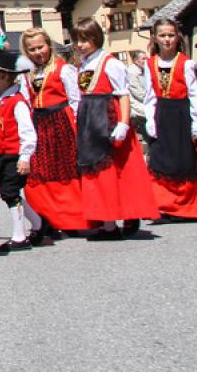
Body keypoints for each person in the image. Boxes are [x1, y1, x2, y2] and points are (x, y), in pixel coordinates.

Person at [70, 16, 154, 239]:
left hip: (107, 117)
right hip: (90, 119)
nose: (80, 45)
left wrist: (124, 124)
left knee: (117, 171)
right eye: (77, 40)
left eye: (85, 39)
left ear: (96, 38)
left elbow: (123, 94)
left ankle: (127, 215)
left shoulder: (111, 64)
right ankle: (107, 222)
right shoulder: (84, 64)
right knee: (97, 173)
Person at [139, 17, 197, 221]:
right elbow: (149, 94)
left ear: (177, 37)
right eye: (163, 35)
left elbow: (194, 95)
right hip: (162, 112)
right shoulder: (150, 64)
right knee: (162, 160)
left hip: (182, 113)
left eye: (171, 35)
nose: (167, 40)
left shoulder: (186, 63)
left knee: (185, 159)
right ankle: (165, 205)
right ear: (155, 38)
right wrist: (150, 119)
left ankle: (190, 206)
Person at [20, 28, 84, 239]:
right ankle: (47, 217)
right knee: (40, 173)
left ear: (49, 45)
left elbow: (75, 100)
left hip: (60, 123)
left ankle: (72, 219)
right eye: (32, 50)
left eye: (41, 47)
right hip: (39, 123)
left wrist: (75, 127)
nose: (38, 53)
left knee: (65, 172)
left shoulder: (63, 69)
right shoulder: (28, 74)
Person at [0, 49, 44, 251]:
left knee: (10, 193)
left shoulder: (17, 102)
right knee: (9, 192)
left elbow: (27, 132)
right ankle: (39, 224)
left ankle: (19, 236)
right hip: (0, 154)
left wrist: (25, 157)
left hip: (13, 154)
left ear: (4, 76)